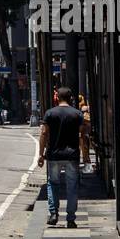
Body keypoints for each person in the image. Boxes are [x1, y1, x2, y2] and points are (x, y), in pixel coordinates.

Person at [38, 85, 88, 227]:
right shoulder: (77, 114)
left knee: (53, 183)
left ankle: (53, 213)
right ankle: (71, 218)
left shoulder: (50, 113)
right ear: (70, 99)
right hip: (72, 155)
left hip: (54, 155)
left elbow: (43, 134)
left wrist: (41, 155)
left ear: (57, 98)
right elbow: (82, 136)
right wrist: (85, 156)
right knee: (72, 186)